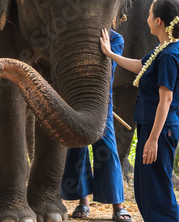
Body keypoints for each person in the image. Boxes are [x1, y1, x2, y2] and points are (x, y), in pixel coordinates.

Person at [100, 0, 179, 222]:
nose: (147, 18)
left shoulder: (169, 56)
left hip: (159, 131)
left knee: (156, 191)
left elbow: (166, 101)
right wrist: (110, 55)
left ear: (158, 21)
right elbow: (140, 65)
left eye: (149, 14)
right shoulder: (163, 49)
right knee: (148, 188)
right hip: (151, 127)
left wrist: (152, 140)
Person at [60, 30, 132, 222]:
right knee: (78, 146)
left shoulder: (115, 38)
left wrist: (106, 52)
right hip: (74, 97)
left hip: (100, 103)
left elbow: (106, 73)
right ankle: (83, 202)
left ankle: (118, 205)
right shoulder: (74, 33)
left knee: (107, 148)